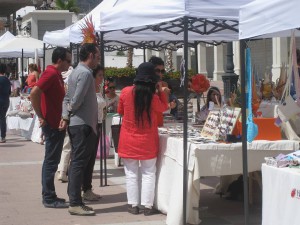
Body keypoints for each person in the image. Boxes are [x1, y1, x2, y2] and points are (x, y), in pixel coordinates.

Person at [117, 62, 168, 216]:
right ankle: (147, 205)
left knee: (131, 173)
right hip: (147, 142)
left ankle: (133, 205)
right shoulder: (152, 97)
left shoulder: (125, 92)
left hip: (128, 140)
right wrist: (160, 91)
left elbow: (120, 111)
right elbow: (164, 107)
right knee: (148, 173)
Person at [30, 47, 72, 208]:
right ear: (59, 60)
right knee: (51, 162)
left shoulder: (56, 75)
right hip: (52, 125)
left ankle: (50, 194)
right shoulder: (51, 74)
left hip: (56, 124)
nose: (69, 65)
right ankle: (48, 197)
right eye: (68, 61)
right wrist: (40, 116)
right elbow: (34, 93)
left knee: (52, 161)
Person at [61, 43, 100, 216]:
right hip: (82, 124)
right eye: (97, 56)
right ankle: (75, 202)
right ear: (91, 55)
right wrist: (69, 112)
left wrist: (66, 115)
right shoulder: (85, 73)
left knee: (78, 162)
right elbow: (74, 100)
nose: (98, 59)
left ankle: (76, 200)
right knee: (78, 163)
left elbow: (67, 98)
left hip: (80, 124)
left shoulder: (76, 72)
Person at [149, 56, 171, 126]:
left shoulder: (164, 84)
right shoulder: (146, 85)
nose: (160, 74)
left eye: (162, 71)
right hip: (149, 123)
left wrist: (162, 92)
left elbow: (165, 107)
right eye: (158, 71)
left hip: (159, 122)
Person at [0, 64, 11, 143]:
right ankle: (3, 136)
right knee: (2, 118)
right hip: (6, 101)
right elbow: (9, 92)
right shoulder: (7, 80)